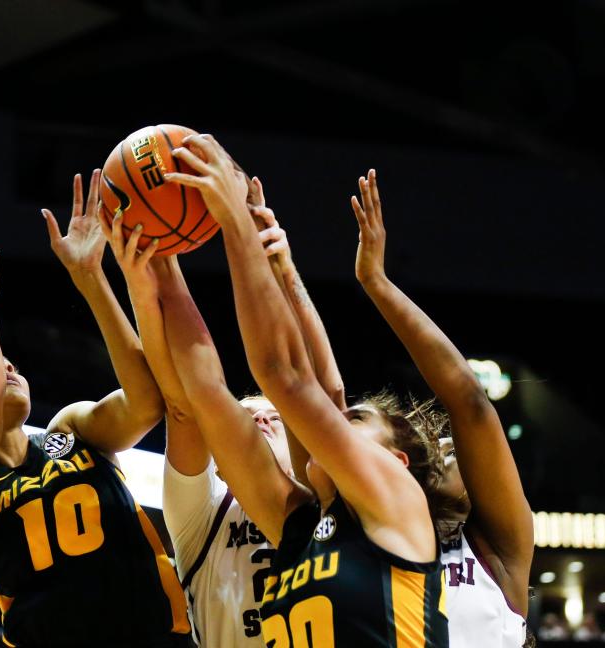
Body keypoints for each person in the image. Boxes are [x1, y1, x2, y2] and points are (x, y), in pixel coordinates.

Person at [165, 134, 448, 646]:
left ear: (396, 461)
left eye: (354, 421)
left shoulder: (395, 505)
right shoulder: (298, 526)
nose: (334, 420)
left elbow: (290, 377)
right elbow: (205, 390)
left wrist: (235, 226)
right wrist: (158, 263)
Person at [0, 170, 189, 648]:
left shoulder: (70, 430)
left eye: (5, 359)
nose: (4, 365)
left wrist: (90, 276)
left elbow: (147, 403)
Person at [101, 174, 346, 647]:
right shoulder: (205, 509)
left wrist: (282, 270)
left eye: (274, 415)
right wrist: (154, 267)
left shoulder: (331, 500)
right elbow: (186, 405)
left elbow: (319, 389)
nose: (259, 417)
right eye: (247, 412)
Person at [350, 169, 534, 648]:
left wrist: (378, 284)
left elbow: (470, 403)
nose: (453, 446)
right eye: (442, 446)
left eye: (453, 445)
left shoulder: (496, 549)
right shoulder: (366, 540)